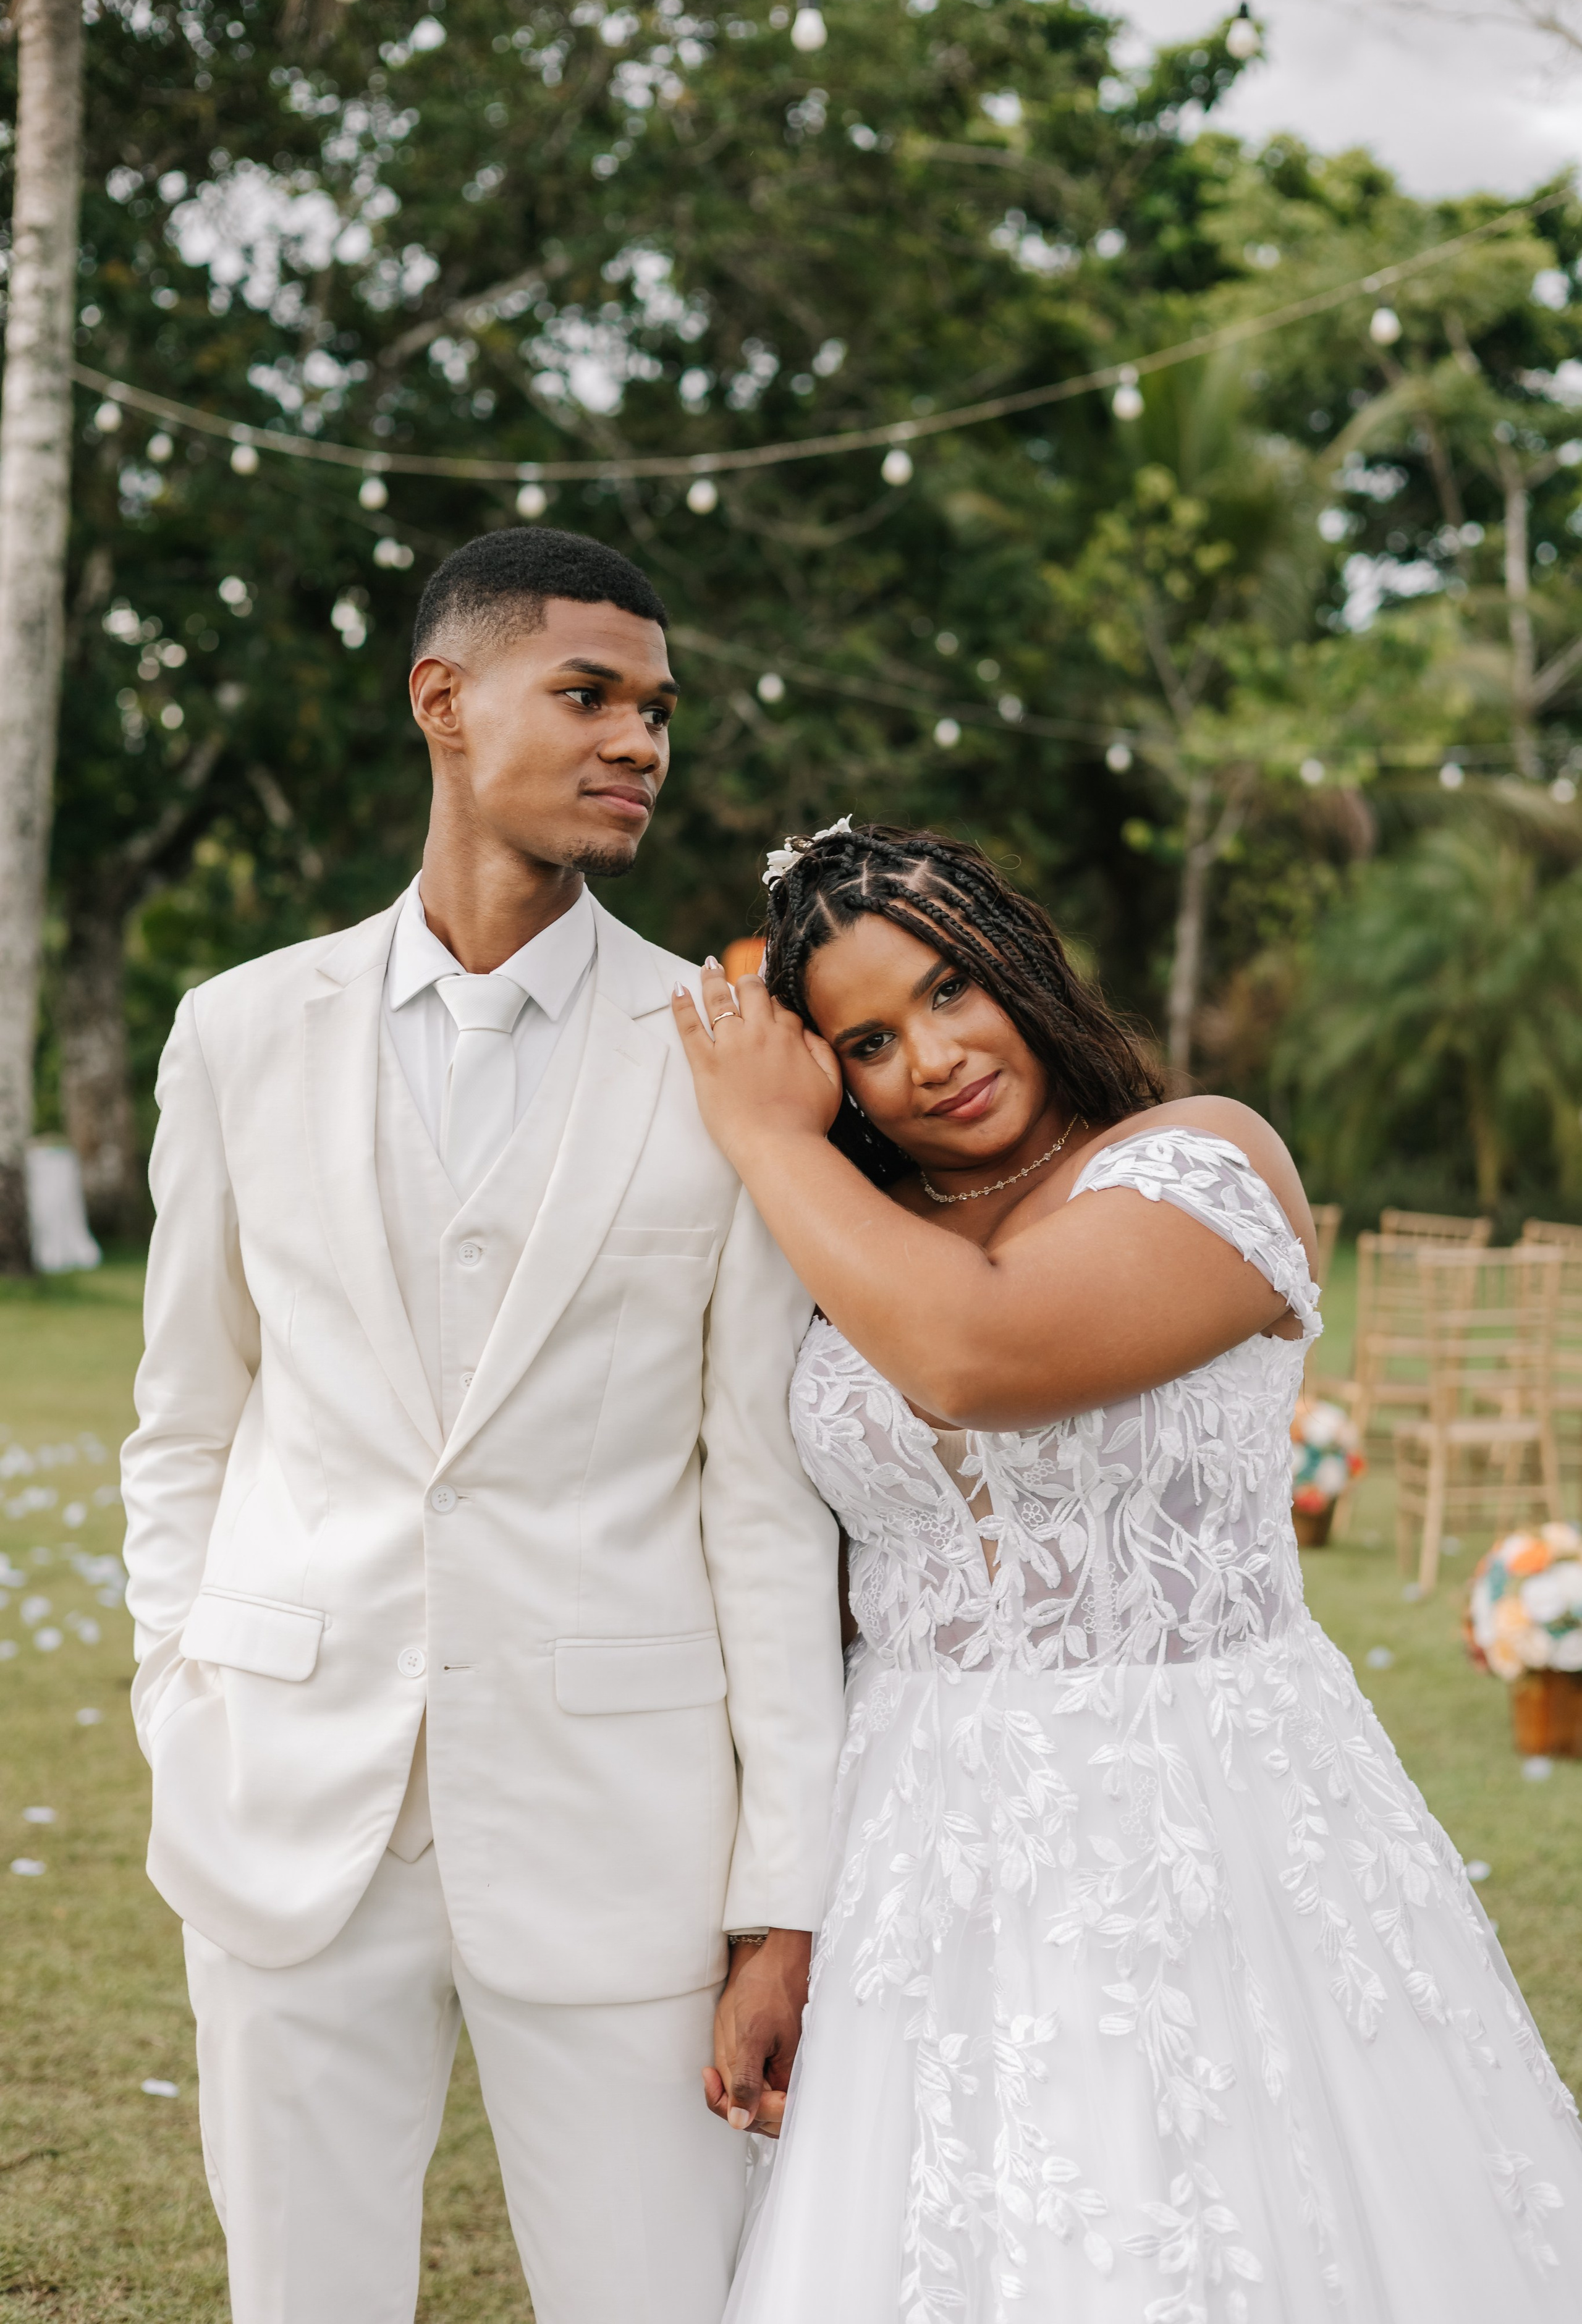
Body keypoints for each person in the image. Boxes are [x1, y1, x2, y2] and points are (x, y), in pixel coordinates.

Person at [671, 819, 1582, 2323]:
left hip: (1199, 1819)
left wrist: (766, 1140)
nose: (933, 1059)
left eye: (952, 988)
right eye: (869, 1042)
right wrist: (780, 1920)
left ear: (1021, 963)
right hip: (912, 1845)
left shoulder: (1199, 1163)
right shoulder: (851, 1235)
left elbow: (976, 1353)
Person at [119, 528, 844, 2324]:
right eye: (588, 695)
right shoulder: (237, 1033)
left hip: (622, 1837)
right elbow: (186, 1418)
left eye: (656, 710)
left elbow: (761, 1498)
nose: (639, 743)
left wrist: (783, 1889)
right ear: (443, 699)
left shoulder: (721, 1050)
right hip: (285, 1806)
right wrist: (178, 1694)